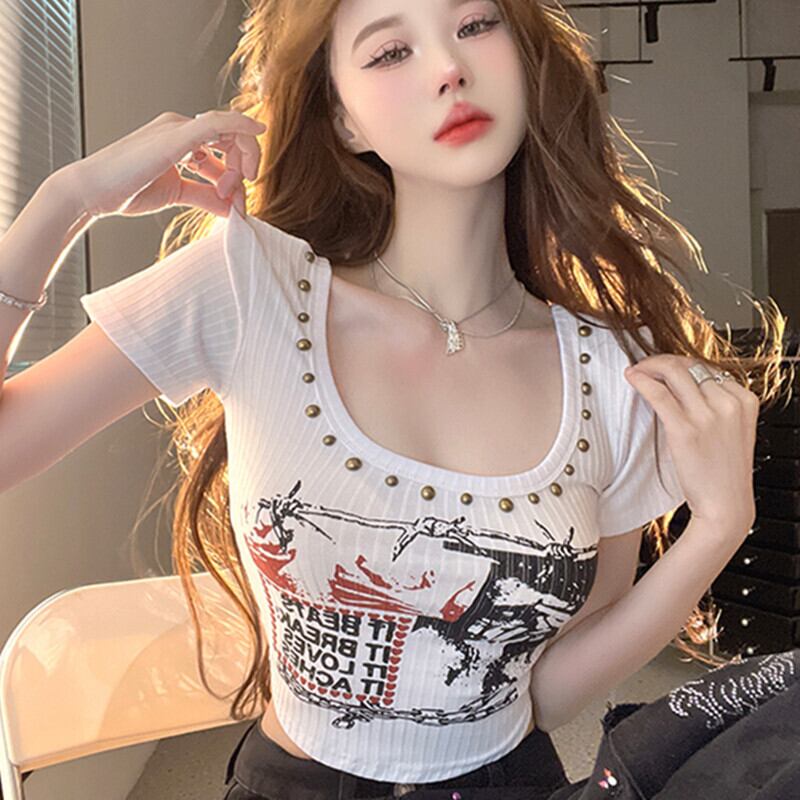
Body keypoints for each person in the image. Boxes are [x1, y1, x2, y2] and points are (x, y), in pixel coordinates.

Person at [0, 1, 792, 798]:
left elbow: (542, 696)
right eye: (389, 53)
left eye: (475, 25)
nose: (448, 68)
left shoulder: (613, 372)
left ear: (527, 64)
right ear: (344, 120)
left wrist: (720, 527)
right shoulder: (249, 288)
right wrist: (67, 200)